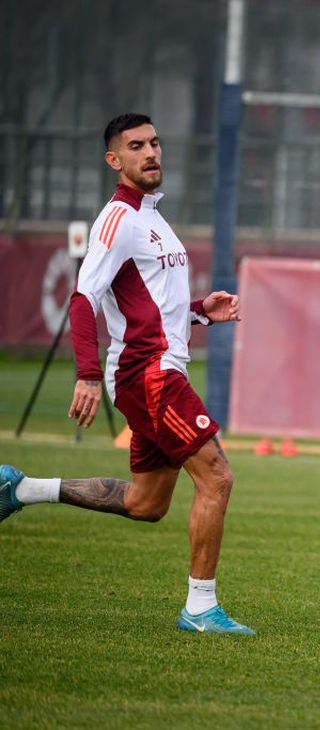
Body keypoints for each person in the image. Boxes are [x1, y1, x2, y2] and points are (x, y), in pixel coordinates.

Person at [0, 113, 253, 635]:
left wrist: (203, 310)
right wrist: (88, 375)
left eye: (155, 142)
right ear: (114, 160)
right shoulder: (117, 218)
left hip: (154, 371)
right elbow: (82, 298)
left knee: (147, 504)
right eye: (136, 146)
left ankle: (22, 490)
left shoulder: (153, 217)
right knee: (218, 478)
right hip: (149, 375)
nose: (151, 152)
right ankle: (201, 610)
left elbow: (152, 305)